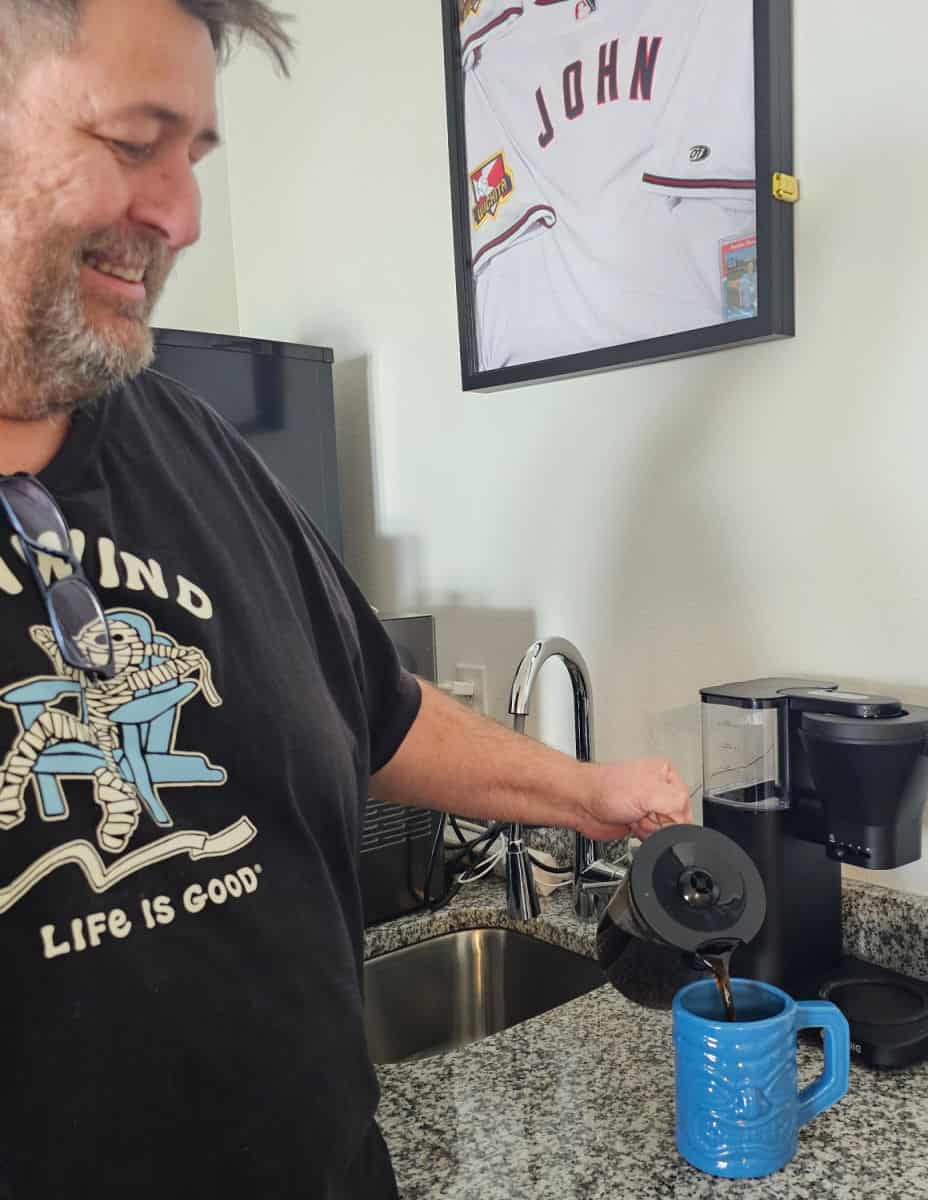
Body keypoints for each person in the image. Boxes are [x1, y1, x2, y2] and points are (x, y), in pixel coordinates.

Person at [0, 3, 692, 1197]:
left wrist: (583, 792)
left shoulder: (196, 450)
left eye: (194, 155)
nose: (182, 213)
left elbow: (374, 713)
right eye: (133, 141)